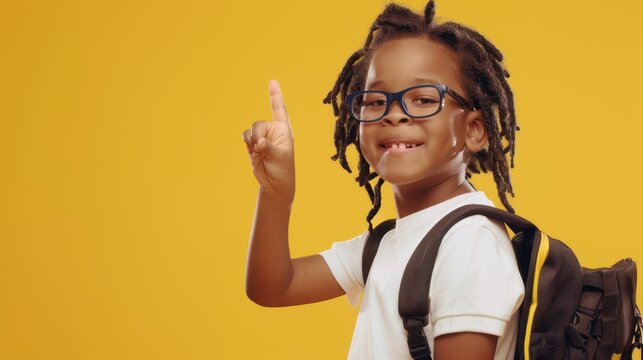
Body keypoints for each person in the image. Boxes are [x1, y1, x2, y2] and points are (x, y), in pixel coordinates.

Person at [242, 1, 525, 359]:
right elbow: (273, 287)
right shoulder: (386, 242)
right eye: (375, 101)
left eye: (422, 99)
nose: (393, 115)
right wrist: (275, 192)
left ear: (474, 130)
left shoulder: (469, 244)